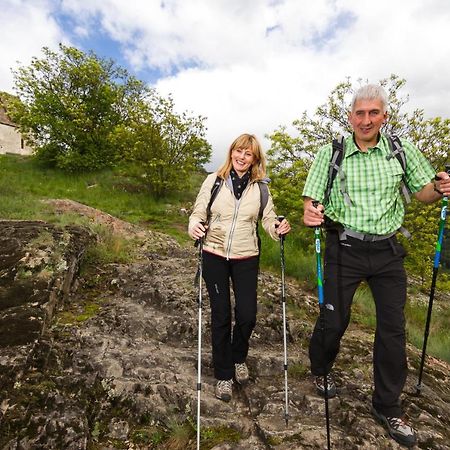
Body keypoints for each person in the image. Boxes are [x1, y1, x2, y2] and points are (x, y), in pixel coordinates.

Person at [302, 84, 450, 448]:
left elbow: (423, 191)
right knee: (334, 320)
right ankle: (320, 368)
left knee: (393, 330)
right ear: (350, 116)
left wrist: (442, 188)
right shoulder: (332, 152)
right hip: (344, 246)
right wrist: (310, 211)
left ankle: (388, 405)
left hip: (387, 250)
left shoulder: (400, 150)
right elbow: (312, 197)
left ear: (384, 116)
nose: (366, 120)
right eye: (360, 113)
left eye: (373, 113)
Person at [189, 133, 291, 402]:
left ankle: (238, 357)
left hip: (247, 257)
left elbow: (268, 220)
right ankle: (224, 375)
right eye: (238, 151)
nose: (242, 157)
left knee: (247, 315)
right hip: (214, 253)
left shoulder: (261, 189)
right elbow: (199, 211)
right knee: (220, 315)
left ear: (255, 159)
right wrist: (193, 226)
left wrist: (278, 229)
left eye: (248, 154)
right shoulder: (213, 181)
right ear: (231, 152)